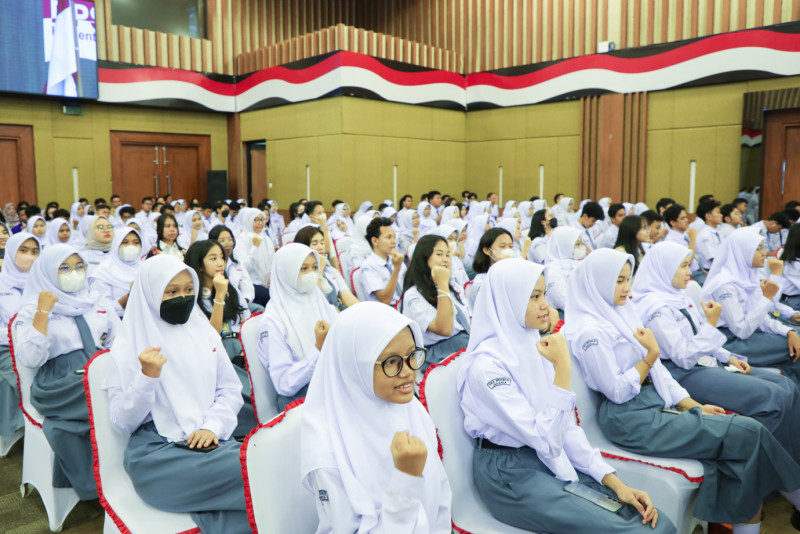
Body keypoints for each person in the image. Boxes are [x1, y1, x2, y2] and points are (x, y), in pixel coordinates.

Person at [565, 248, 800, 534]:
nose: (627, 287)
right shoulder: (590, 332)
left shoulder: (620, 314)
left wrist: (693, 405)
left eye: (628, 279)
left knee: (742, 455)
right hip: (630, 418)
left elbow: (660, 374)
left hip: (652, 404)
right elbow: (617, 391)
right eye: (618, 281)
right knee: (750, 432)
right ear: (598, 282)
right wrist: (650, 355)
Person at [458, 258, 671, 533]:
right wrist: (562, 369)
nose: (545, 305)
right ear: (509, 301)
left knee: (651, 520)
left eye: (544, 294)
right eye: (534, 297)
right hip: (510, 473)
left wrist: (617, 484)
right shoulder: (486, 367)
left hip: (543, 453)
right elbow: (547, 440)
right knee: (634, 530)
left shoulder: (533, 344)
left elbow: (566, 430)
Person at [104, 255, 250, 534]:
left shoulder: (203, 333)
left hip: (209, 441)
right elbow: (122, 423)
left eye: (188, 290)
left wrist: (212, 426)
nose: (182, 298)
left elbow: (230, 390)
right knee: (253, 472)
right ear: (150, 294)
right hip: (159, 455)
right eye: (171, 292)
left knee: (257, 469)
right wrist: (146, 378)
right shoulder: (128, 347)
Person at [633, 241, 800, 464]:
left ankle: (791, 459)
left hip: (704, 361)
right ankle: (774, 467)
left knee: (787, 386)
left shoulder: (678, 296)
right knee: (771, 397)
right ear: (665, 269)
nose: (689, 272)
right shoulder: (655, 309)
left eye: (688, 265)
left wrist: (728, 357)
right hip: (683, 373)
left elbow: (700, 334)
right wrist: (711, 326)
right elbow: (683, 358)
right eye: (683, 266)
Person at [300, 302, 452, 533]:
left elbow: (440, 494)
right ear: (354, 367)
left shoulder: (409, 408)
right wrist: (406, 481)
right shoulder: (328, 451)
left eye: (412, 354)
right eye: (391, 361)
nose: (408, 371)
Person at [16, 244, 120, 500]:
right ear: (48, 271)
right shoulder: (31, 308)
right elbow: (31, 359)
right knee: (109, 399)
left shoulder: (96, 301)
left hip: (97, 366)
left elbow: (119, 341)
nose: (74, 273)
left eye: (79, 266)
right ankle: (103, 481)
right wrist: (43, 310)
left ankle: (124, 470)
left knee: (136, 387)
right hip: (58, 380)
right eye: (64, 267)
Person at [701, 228, 800, 385]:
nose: (764, 253)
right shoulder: (725, 285)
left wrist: (789, 331)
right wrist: (766, 298)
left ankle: (791, 388)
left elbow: (761, 318)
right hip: (729, 341)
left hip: (750, 333)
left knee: (795, 338)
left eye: (763, 248)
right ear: (742, 251)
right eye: (758, 249)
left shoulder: (747, 276)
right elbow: (741, 330)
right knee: (793, 346)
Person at [257, 243, 337, 410]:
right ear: (286, 272)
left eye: (315, 268)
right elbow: (284, 383)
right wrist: (318, 349)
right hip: (301, 401)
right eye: (303, 269)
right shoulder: (273, 321)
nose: (312, 274)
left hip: (331, 386)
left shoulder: (317, 299)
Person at [400, 235, 470, 368]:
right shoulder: (413, 295)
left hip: (464, 341)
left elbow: (469, 320)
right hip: (439, 354)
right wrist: (442, 284)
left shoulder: (453, 286)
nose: (445, 259)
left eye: (448, 255)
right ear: (424, 258)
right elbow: (444, 329)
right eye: (439, 254)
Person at [0, 233, 40, 441]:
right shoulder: (2, 284)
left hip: (41, 343)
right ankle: (17, 429)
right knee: (17, 377)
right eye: (23, 251)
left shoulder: (45, 281)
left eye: (35, 251)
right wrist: (18, 336)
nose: (29, 256)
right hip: (6, 346)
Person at [184, 240, 250, 363]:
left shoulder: (232, 290)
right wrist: (219, 296)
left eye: (222, 257)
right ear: (199, 265)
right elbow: (212, 337)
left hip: (243, 347)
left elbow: (247, 322)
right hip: (217, 352)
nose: (220, 263)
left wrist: (246, 351)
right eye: (213, 259)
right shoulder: (192, 297)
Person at [295, 225, 358, 309]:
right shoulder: (300, 273)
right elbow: (312, 300)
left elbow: (347, 297)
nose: (320, 247)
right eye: (314, 244)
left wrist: (362, 310)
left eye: (322, 243)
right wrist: (319, 269)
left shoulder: (330, 269)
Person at [88, 227, 142, 317]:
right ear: (117, 244)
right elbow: (101, 310)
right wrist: (129, 296)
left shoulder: (144, 268)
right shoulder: (104, 272)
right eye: (125, 242)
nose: (131, 246)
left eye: (136, 243)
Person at [208, 225, 261, 314]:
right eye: (222, 240)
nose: (228, 243)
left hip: (239, 304)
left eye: (230, 239)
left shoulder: (237, 264)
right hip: (218, 304)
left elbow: (247, 285)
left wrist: (244, 300)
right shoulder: (210, 265)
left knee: (259, 309)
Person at [232, 207, 275, 307]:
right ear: (249, 221)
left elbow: (273, 262)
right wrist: (255, 247)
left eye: (262, 220)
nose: (260, 223)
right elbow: (245, 267)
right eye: (256, 220)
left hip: (267, 283)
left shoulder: (266, 238)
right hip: (251, 284)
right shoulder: (241, 240)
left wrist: (271, 277)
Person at [359, 218, 406, 306]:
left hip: (404, 305)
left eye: (394, 237)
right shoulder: (368, 266)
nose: (394, 241)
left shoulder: (395, 259)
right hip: (387, 310)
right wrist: (396, 269)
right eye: (388, 237)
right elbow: (385, 300)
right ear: (375, 241)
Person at [468, 227, 514, 308]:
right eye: (502, 246)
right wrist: (501, 267)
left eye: (510, 246)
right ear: (487, 250)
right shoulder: (481, 282)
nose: (508, 250)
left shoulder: (513, 272)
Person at [543, 226, 584, 311]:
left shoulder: (575, 263)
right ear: (565, 246)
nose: (580, 248)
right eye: (577, 244)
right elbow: (564, 302)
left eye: (580, 244)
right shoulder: (552, 272)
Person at [662, 205, 702, 283]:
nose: (687, 220)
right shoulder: (671, 241)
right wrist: (693, 239)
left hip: (698, 271)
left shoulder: (684, 235)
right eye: (683, 218)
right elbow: (688, 262)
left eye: (686, 217)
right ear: (673, 222)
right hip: (689, 275)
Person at [694, 200, 724, 271]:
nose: (721, 215)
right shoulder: (705, 235)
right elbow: (713, 258)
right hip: (710, 270)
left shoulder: (717, 232)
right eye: (718, 212)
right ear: (708, 216)